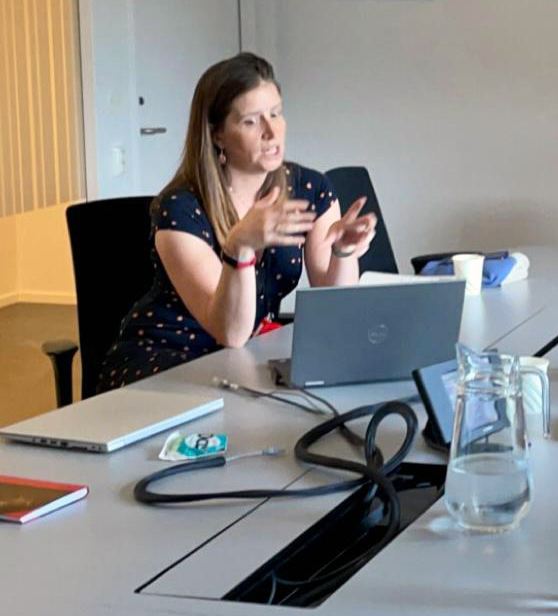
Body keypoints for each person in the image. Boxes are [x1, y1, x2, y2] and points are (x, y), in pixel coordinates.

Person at [97, 52, 376, 393]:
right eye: (251, 121)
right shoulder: (180, 209)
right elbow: (229, 331)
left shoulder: (309, 187)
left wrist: (343, 254)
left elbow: (336, 304)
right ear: (217, 135)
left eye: (276, 113)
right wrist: (239, 246)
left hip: (242, 358)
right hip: (167, 362)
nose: (272, 131)